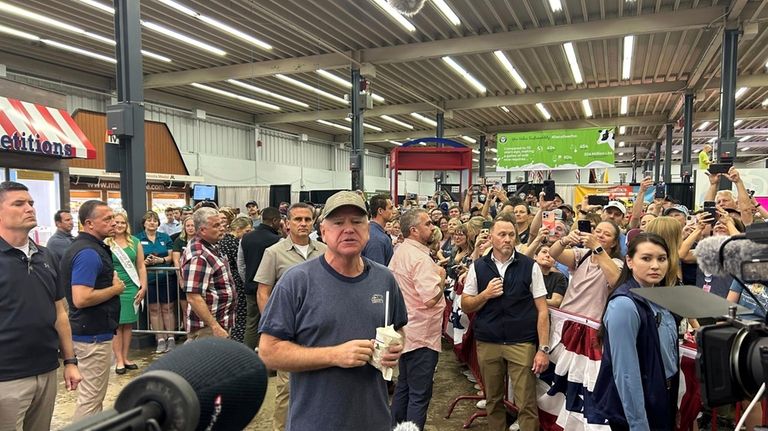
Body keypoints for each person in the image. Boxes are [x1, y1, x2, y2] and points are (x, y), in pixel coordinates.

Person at [258, 191, 408, 431]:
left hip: (374, 420)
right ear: (324, 231)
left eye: (357, 222)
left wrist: (395, 347)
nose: (348, 229)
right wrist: (334, 355)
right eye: (338, 223)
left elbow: (398, 328)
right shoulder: (296, 281)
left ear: (367, 229)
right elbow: (268, 352)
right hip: (316, 421)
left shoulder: (384, 279)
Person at [0, 181, 82, 431]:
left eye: (31, 203)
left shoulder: (45, 256)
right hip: (6, 376)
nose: (29, 208)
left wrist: (70, 361)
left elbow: (60, 313)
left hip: (46, 370)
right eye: (19, 203)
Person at [460, 217, 549, 431]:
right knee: (493, 400)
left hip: (522, 343)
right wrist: (486, 295)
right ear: (491, 237)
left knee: (527, 403)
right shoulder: (478, 267)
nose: (507, 239)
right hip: (488, 342)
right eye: (502, 235)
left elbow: (543, 310)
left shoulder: (530, 266)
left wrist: (543, 349)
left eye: (511, 235)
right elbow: (466, 304)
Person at [591, 233, 679, 430]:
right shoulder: (624, 305)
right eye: (646, 258)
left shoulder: (659, 296)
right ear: (629, 262)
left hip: (660, 396)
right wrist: (638, 423)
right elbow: (626, 373)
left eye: (662, 259)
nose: (655, 266)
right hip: (639, 406)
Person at [255, 202, 326, 431]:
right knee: (287, 390)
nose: (303, 224)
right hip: (289, 334)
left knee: (321, 387)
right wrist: (275, 329)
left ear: (313, 222)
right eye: (298, 219)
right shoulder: (274, 253)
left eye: (307, 219)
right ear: (287, 224)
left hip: (321, 332)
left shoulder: (324, 251)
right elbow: (263, 293)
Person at [61, 200, 123, 420]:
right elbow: (81, 298)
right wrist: (115, 289)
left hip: (93, 332)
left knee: (93, 398)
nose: (113, 222)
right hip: (92, 336)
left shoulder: (90, 248)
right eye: (106, 219)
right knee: (90, 399)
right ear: (89, 223)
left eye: (113, 217)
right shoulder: (88, 253)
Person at [388, 209, 445, 430]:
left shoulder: (401, 251)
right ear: (414, 230)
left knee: (405, 387)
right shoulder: (418, 258)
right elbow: (430, 298)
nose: (433, 227)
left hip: (408, 330)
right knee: (419, 394)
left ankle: (395, 426)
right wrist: (441, 278)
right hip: (422, 335)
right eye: (428, 224)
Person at [180, 207, 237, 340]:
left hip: (217, 324)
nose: (222, 228)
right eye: (216, 225)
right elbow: (193, 297)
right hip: (207, 329)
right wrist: (214, 326)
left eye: (222, 224)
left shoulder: (210, 247)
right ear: (202, 230)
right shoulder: (198, 255)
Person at [105, 212, 147, 374]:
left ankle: (125, 356)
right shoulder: (106, 242)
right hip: (114, 287)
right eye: (116, 223)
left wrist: (143, 286)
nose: (120, 225)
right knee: (117, 325)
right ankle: (118, 360)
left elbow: (141, 266)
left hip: (132, 286)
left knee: (128, 323)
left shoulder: (134, 242)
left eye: (123, 222)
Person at [237, 206, 282, 350]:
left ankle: (247, 359)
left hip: (251, 288)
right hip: (272, 290)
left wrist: (249, 281)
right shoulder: (278, 240)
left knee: (251, 324)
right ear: (275, 220)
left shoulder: (246, 238)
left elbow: (241, 264)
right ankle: (270, 362)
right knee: (273, 325)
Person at [137, 211, 177, 354]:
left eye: (155, 220)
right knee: (154, 309)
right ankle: (160, 338)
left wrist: (161, 260)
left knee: (168, 308)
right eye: (149, 220)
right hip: (149, 279)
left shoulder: (165, 237)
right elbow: (136, 259)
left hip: (165, 278)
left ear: (158, 223)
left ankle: (171, 338)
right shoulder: (137, 239)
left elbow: (171, 255)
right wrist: (144, 262)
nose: (152, 222)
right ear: (144, 223)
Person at [218, 216, 253, 343]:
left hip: (226, 281)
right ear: (238, 229)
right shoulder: (235, 243)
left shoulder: (222, 242)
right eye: (247, 231)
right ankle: (239, 343)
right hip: (237, 282)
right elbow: (240, 264)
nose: (249, 234)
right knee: (241, 315)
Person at [171, 215, 195, 330]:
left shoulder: (200, 240)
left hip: (196, 278)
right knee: (185, 309)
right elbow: (176, 260)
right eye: (188, 226)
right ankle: (188, 335)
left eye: (192, 225)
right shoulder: (179, 241)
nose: (190, 228)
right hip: (184, 278)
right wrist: (180, 278)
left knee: (196, 309)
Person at [362, 194, 395, 266]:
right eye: (390, 208)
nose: (394, 211)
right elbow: (376, 273)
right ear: (380, 211)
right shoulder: (378, 239)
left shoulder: (371, 230)